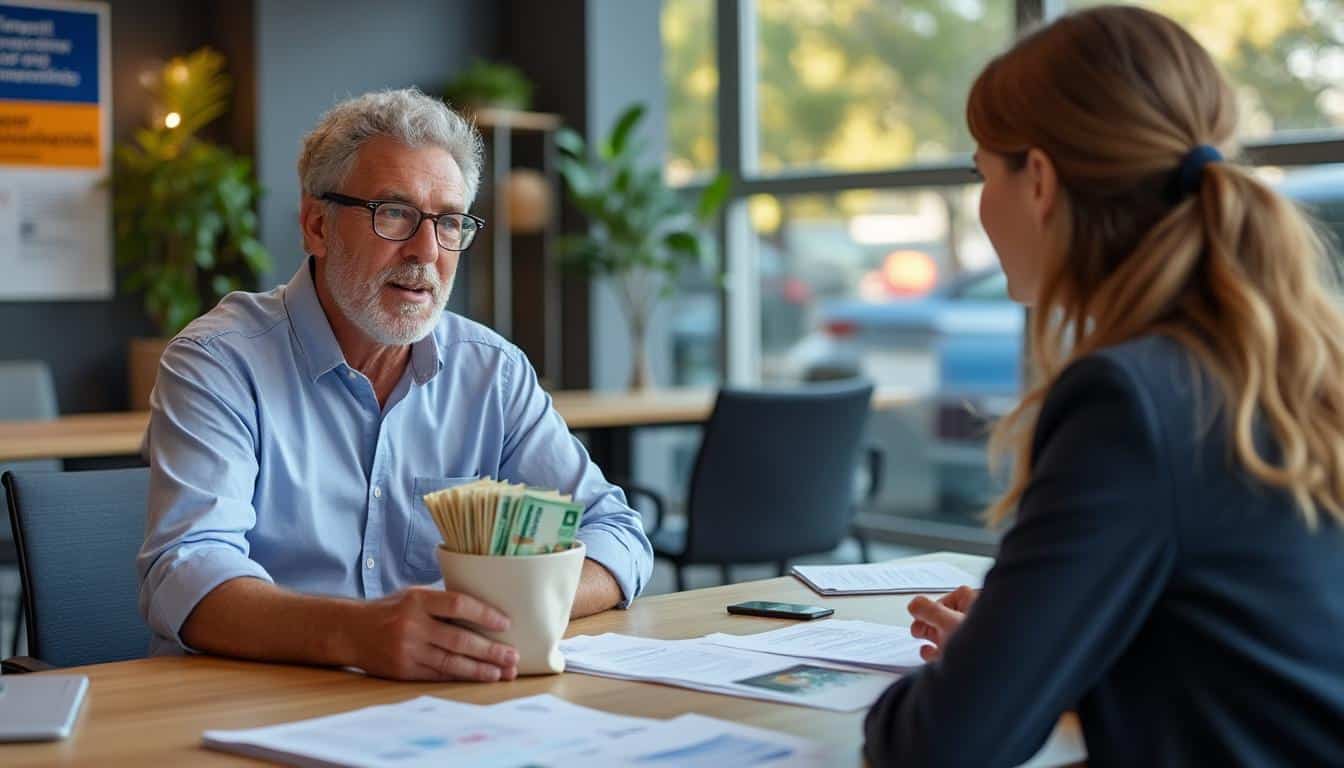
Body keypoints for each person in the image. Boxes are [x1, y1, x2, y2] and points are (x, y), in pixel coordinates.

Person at [864, 6, 1344, 765]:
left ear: (1039, 180)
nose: (982, 203)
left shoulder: (1128, 400)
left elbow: (939, 745)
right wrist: (1032, 642)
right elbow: (1245, 653)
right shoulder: (1290, 365)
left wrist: (976, 673)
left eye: (982, 174)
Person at [136, 88, 653, 683]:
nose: (426, 251)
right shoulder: (219, 362)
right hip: (257, 701)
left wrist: (493, 617)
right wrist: (358, 634)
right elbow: (187, 574)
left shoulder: (493, 372)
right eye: (394, 213)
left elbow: (615, 534)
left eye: (449, 221)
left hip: (450, 700)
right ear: (317, 225)